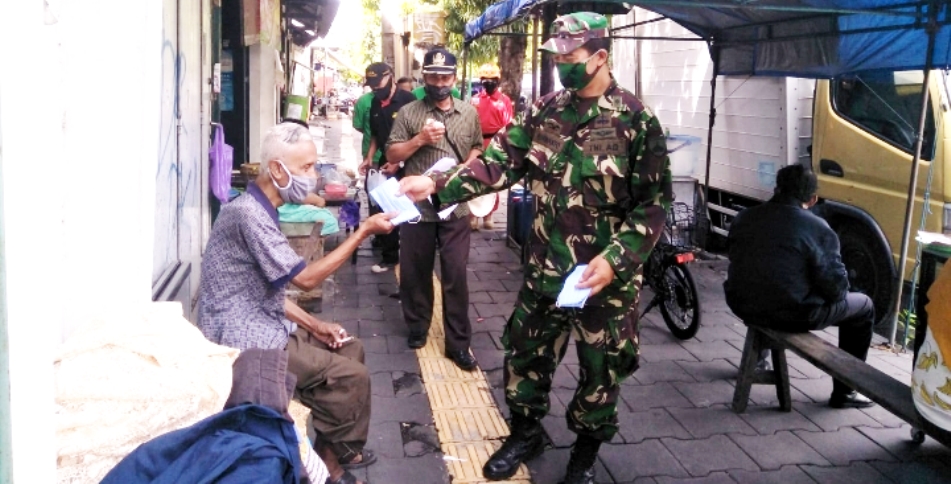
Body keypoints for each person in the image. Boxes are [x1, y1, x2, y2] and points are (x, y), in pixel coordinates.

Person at [398, 13, 671, 484]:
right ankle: (526, 433)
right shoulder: (545, 110)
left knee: (600, 374)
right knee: (523, 360)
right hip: (546, 272)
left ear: (600, 56)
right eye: (556, 56)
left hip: (604, 285)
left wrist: (615, 261)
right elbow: (498, 162)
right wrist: (436, 184)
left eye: (570, 56)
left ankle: (584, 459)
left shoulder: (635, 120)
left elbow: (653, 205)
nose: (561, 63)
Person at [197, 122, 396, 484]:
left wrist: (317, 325)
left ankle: (330, 450)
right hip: (246, 337)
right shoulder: (247, 214)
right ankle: (331, 469)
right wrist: (364, 231)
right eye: (306, 168)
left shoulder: (262, 208)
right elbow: (303, 279)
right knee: (351, 377)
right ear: (277, 169)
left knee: (351, 349)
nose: (314, 176)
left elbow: (268, 289)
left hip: (265, 318)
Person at [724, 164, 876, 410]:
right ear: (813, 199)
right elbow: (836, 291)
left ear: (776, 188)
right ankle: (845, 391)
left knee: (769, 284)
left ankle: (759, 360)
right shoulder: (817, 228)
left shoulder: (745, 217)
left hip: (741, 302)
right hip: (793, 314)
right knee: (864, 306)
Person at [385, 47, 484, 371]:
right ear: (423, 77)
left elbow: (477, 147)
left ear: (454, 78)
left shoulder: (468, 113)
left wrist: (469, 165)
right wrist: (420, 140)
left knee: (455, 273)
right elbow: (394, 153)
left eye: (444, 76)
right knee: (414, 271)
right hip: (417, 209)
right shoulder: (411, 112)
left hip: (454, 208)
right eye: (432, 76)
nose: (438, 82)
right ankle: (417, 326)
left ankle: (458, 343)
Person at [358, 62, 417, 273]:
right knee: (386, 208)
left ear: (390, 76)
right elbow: (374, 134)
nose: (376, 88)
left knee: (411, 211)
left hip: (409, 165)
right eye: (372, 85)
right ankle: (389, 257)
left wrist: (399, 162)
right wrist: (370, 158)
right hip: (385, 163)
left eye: (379, 82)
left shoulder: (408, 101)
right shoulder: (374, 103)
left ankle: (413, 257)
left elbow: (417, 138)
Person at [468, 63, 513, 231]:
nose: (488, 82)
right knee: (475, 177)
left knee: (493, 180)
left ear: (498, 81)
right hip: (477, 143)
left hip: (495, 143)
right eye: (485, 80)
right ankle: (473, 217)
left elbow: (509, 125)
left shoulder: (504, 101)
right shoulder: (475, 100)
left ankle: (489, 215)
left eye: (492, 79)